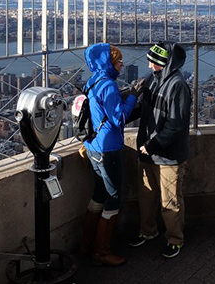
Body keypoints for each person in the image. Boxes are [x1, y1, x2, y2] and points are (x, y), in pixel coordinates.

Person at [80, 43, 142, 266]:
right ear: (108, 62)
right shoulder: (108, 85)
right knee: (114, 198)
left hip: (93, 146)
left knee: (98, 195)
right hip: (108, 149)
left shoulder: (93, 81)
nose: (122, 64)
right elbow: (119, 118)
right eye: (118, 60)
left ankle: (86, 244)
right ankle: (102, 251)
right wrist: (133, 95)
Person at [128, 42, 191, 259]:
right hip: (147, 151)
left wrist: (153, 144)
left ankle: (175, 239)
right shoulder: (152, 81)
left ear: (164, 63)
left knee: (170, 201)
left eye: (153, 61)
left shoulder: (178, 86)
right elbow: (142, 110)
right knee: (146, 196)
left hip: (168, 155)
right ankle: (148, 231)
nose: (148, 64)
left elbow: (176, 124)